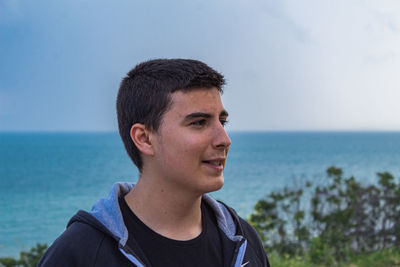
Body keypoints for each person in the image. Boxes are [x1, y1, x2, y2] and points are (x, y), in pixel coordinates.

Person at [38, 59, 270, 266]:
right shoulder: (79, 254)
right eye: (199, 122)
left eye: (222, 122)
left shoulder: (242, 240)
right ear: (145, 138)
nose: (224, 140)